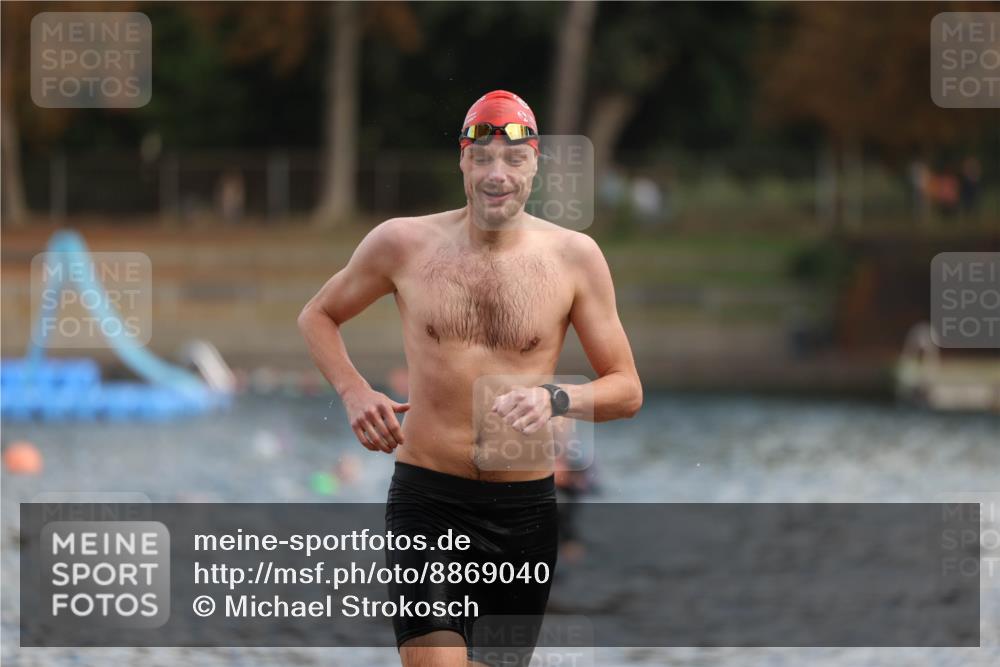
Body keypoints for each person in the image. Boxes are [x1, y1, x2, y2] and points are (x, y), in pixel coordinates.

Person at [298, 89, 642, 667]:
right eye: (481, 158)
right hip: (429, 500)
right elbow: (319, 315)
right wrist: (355, 392)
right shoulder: (402, 244)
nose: (496, 175)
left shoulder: (574, 258)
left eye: (512, 159)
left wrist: (556, 398)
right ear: (462, 160)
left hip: (525, 512)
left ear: (535, 163)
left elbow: (627, 389)